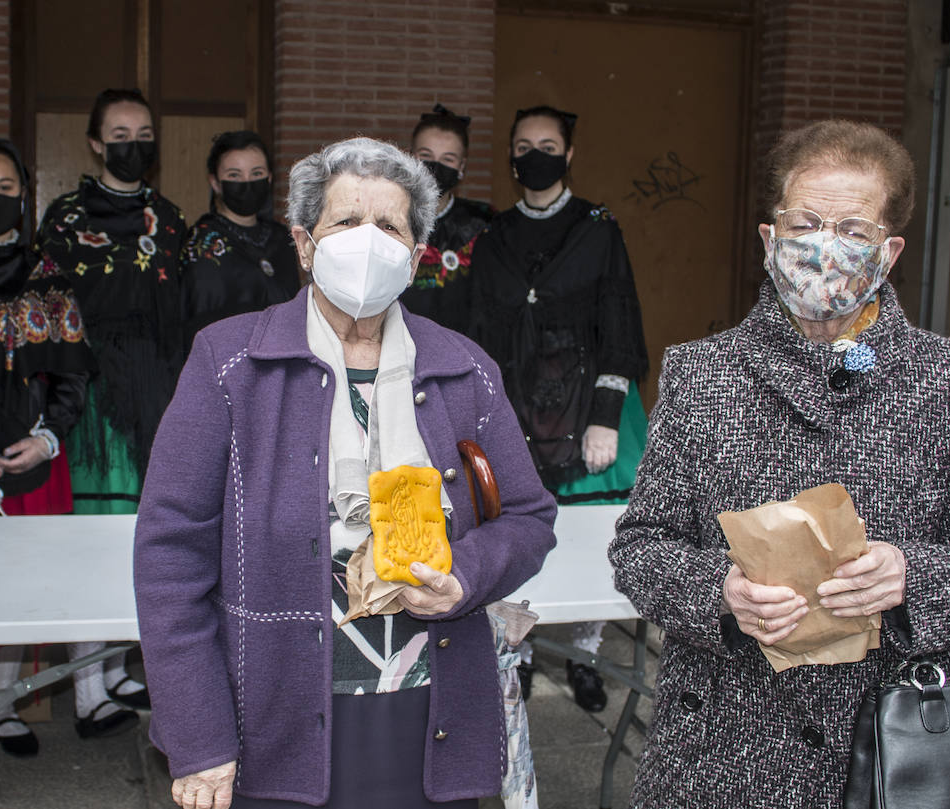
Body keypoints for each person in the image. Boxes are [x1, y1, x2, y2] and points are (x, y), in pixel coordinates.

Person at [609, 119, 950, 807]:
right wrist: (721, 593)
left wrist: (910, 576)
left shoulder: (946, 379)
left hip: (895, 758)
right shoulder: (702, 372)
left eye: (853, 230)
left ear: (890, 251)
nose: (825, 246)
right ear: (770, 238)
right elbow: (639, 549)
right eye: (806, 223)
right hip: (721, 754)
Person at [133, 137, 557, 809]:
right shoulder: (229, 363)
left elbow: (531, 518)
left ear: (416, 255)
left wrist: (465, 580)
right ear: (304, 243)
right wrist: (198, 734)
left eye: (389, 226)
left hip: (429, 716)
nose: (368, 241)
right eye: (345, 221)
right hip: (271, 718)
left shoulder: (464, 369)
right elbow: (169, 557)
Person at [470, 105, 650, 712]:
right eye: (523, 144)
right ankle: (516, 656)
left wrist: (604, 415)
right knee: (514, 531)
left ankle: (585, 654)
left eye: (547, 144)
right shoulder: (494, 237)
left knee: (592, 539)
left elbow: (619, 321)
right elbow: (482, 333)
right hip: (516, 406)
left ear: (569, 154)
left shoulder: (598, 228)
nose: (534, 154)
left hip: (590, 405)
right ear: (510, 155)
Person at [0, 135, 99, 756]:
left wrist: (46, 439)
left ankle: (6, 705)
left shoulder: (48, 277)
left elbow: (74, 373)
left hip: (37, 462)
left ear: (24, 195)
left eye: (5, 189)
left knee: (29, 586)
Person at [34, 87, 177, 734]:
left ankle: (119, 665)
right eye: (119, 132)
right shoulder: (62, 219)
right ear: (95, 142)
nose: (132, 144)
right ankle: (88, 686)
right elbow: (46, 312)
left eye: (143, 132)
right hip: (91, 394)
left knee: (142, 529)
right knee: (96, 529)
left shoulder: (170, 219)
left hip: (156, 393)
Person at [180, 130, 300, 347]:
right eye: (234, 175)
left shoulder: (282, 238)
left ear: (269, 177)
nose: (247, 182)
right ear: (215, 183)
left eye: (256, 174)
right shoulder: (204, 241)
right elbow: (200, 319)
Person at [400, 104, 493, 335]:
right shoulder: (385, 219)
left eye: (448, 159)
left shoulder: (482, 224)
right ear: (411, 158)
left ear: (462, 167)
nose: (436, 166)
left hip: (463, 350)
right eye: (426, 156)